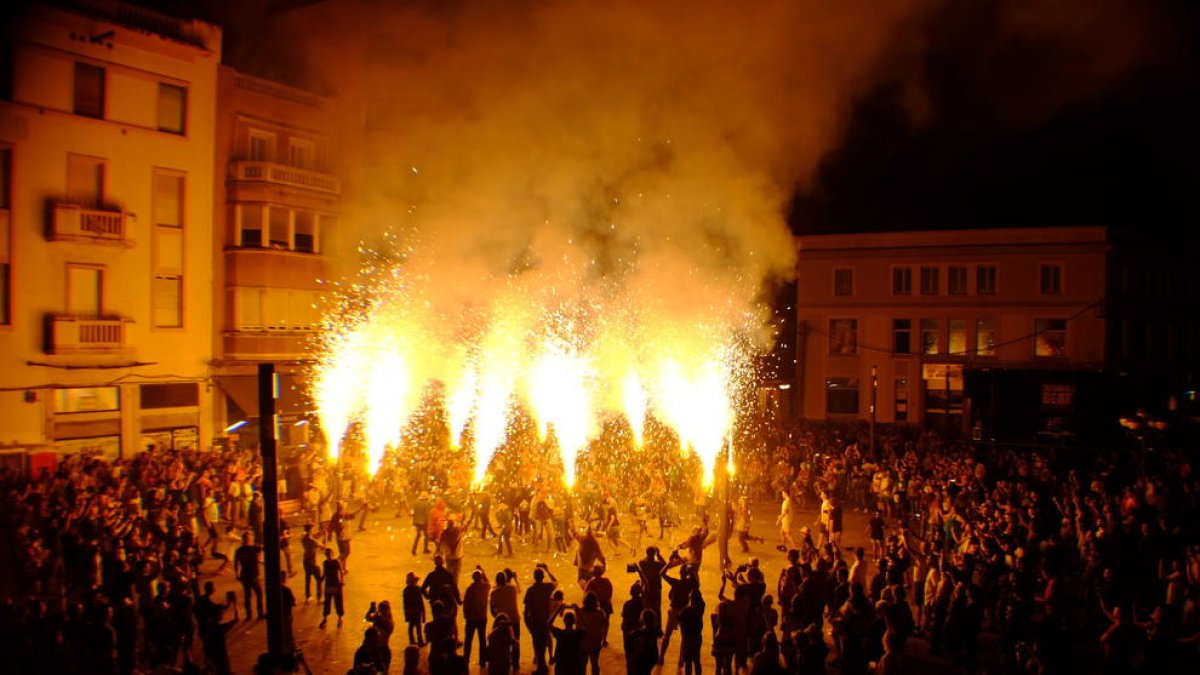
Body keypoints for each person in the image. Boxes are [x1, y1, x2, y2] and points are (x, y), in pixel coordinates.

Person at [525, 562, 559, 674]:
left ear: (534, 577)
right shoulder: (547, 587)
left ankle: (541, 667)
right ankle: (544, 664)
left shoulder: (530, 590)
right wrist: (547, 570)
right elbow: (555, 581)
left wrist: (527, 622)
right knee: (544, 640)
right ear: (543, 577)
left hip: (534, 619)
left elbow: (526, 609)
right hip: (545, 619)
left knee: (537, 642)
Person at [490, 569, 522, 669]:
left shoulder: (494, 593)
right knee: (516, 642)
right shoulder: (512, 589)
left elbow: (492, 609)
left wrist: (498, 618)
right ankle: (516, 665)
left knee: (502, 644)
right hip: (515, 619)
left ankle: (503, 663)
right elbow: (519, 589)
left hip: (502, 622)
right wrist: (515, 578)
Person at [463, 567, 491, 667]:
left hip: (471, 618)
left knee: (468, 640)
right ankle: (482, 661)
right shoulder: (485, 587)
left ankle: (466, 660)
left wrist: (465, 616)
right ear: (480, 578)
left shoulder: (470, 589)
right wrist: (483, 572)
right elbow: (488, 581)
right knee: (482, 640)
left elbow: (465, 604)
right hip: (482, 618)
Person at [233, 531, 264, 619]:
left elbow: (236, 564)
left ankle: (249, 615)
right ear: (249, 539)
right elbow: (262, 548)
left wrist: (237, 575)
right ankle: (260, 613)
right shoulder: (254, 548)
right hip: (253, 575)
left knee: (247, 595)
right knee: (259, 594)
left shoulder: (239, 550)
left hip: (244, 575)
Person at [577, 591, 608, 675]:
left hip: (582, 642)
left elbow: (577, 626)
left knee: (582, 665)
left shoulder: (580, 612)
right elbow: (604, 626)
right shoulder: (600, 613)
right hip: (595, 642)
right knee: (595, 663)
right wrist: (604, 639)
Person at [549, 607, 585, 675]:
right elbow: (586, 626)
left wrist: (557, 610)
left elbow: (548, 624)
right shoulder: (578, 634)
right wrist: (578, 612)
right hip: (575, 662)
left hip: (561, 663)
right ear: (574, 621)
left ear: (564, 621)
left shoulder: (560, 634)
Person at [679, 588, 706, 675]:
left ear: (690, 598)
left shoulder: (686, 611)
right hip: (697, 636)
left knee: (688, 662)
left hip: (687, 637)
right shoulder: (701, 608)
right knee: (697, 660)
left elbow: (680, 620)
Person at [319, 547, 345, 628]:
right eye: (327, 554)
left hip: (335, 584)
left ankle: (339, 618)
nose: (329, 555)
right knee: (328, 602)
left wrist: (342, 580)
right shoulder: (325, 563)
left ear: (332, 554)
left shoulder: (336, 562)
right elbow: (324, 574)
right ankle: (325, 618)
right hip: (329, 585)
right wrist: (320, 580)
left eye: (329, 554)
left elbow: (341, 572)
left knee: (338, 602)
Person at [301, 523, 325, 603]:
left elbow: (312, 536)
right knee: (319, 580)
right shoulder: (313, 541)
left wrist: (320, 533)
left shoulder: (304, 537)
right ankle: (319, 598)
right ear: (310, 530)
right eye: (313, 529)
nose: (314, 530)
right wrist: (323, 537)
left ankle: (308, 596)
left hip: (306, 561)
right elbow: (322, 546)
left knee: (307, 579)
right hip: (313, 562)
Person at [402, 571, 427, 646]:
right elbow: (420, 602)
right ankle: (420, 641)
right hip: (417, 611)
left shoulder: (406, 590)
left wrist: (406, 615)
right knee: (418, 627)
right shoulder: (417, 589)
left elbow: (405, 604)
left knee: (411, 626)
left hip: (410, 611)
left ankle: (412, 640)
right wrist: (423, 614)